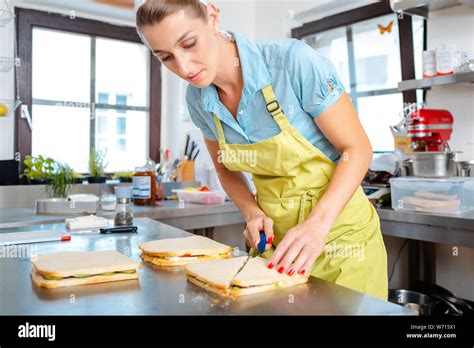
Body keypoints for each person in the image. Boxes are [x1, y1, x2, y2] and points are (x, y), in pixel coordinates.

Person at [136, 0, 388, 300]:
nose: (184, 67)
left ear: (212, 17)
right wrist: (251, 211)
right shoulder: (198, 99)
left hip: (341, 238)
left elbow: (357, 148)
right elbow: (225, 168)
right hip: (275, 245)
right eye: (166, 57)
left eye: (189, 44)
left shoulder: (291, 63)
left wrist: (317, 225)